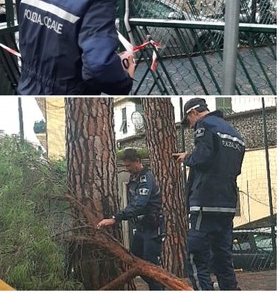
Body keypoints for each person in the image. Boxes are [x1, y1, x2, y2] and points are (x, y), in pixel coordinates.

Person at [173, 98, 245, 290]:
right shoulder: (235, 133)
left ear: (193, 113)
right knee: (223, 260)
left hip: (205, 202)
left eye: (189, 122)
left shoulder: (204, 125)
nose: (190, 127)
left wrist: (188, 156)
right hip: (228, 203)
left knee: (196, 259)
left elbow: (203, 157)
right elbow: (233, 167)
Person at [96, 148, 164, 290]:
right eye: (125, 166)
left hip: (152, 228)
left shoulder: (146, 178)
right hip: (140, 228)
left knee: (151, 268)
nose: (126, 169)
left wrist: (115, 218)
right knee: (135, 262)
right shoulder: (134, 177)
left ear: (137, 162)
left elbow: (139, 205)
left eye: (128, 166)